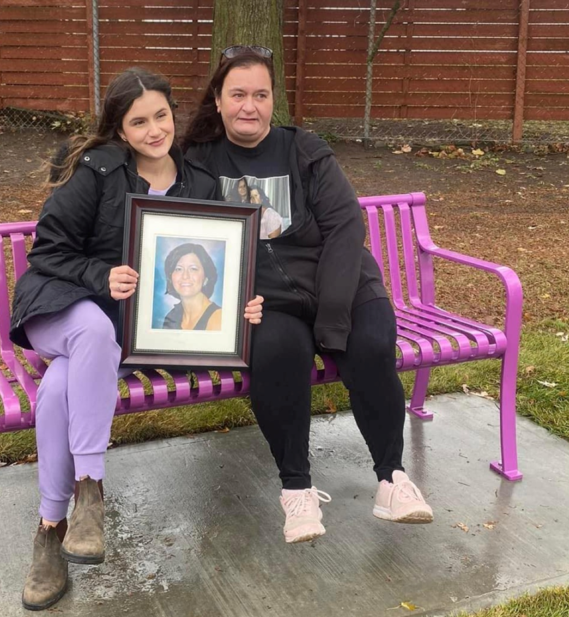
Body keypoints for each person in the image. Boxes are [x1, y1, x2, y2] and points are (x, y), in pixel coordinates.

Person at [9, 68, 264, 610]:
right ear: (120, 130)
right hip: (62, 309)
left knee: (58, 389)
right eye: (139, 121)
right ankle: (92, 492)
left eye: (162, 116)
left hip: (125, 337)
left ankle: (50, 532)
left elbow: (221, 257)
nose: (154, 130)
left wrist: (241, 302)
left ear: (175, 115)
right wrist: (101, 276)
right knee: (94, 330)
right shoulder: (94, 172)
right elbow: (47, 253)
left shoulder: (197, 180)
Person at [183, 46, 433, 544]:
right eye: (237, 94)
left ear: (275, 99)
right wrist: (233, 299)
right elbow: (194, 239)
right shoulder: (199, 162)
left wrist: (332, 321)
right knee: (277, 351)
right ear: (217, 99)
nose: (249, 106)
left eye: (260, 94)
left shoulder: (305, 149)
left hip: (342, 283)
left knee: (369, 345)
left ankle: (392, 479)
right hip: (267, 299)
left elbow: (344, 227)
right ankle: (296, 489)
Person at [161, 243, 223, 331]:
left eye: (193, 269)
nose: (185, 276)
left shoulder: (219, 319)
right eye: (178, 269)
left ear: (206, 277)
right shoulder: (171, 318)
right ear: (171, 277)